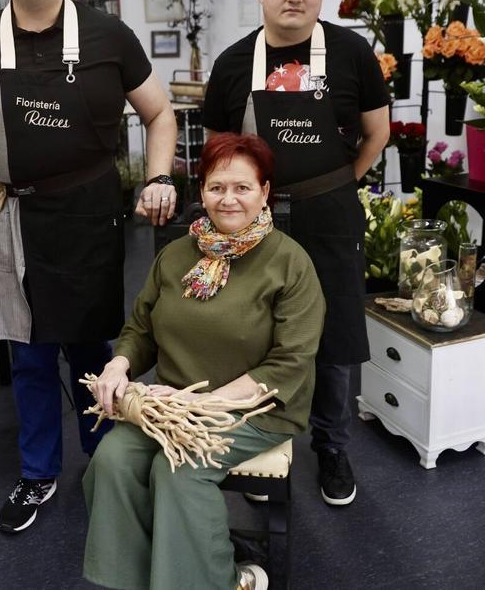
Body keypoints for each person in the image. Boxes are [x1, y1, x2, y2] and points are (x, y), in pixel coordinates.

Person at [0, 0, 178, 534]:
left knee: (93, 348)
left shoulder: (109, 37)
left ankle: (106, 464)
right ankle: (38, 473)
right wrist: (12, 172)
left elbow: (159, 115)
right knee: (28, 353)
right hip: (17, 215)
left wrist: (157, 178)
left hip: (90, 216)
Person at [83, 133, 325, 590]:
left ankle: (225, 580)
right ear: (201, 191)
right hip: (173, 404)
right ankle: (138, 579)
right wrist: (119, 365)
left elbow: (289, 365)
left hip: (256, 409)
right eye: (216, 187)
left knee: (179, 469)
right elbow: (141, 330)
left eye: (242, 187)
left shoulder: (291, 264)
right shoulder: (175, 256)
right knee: (112, 459)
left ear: (265, 192)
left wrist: (205, 405)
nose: (228, 199)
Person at [202, 0, 391, 507]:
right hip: (254, 225)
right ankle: (259, 445)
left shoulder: (352, 55)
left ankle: (332, 447)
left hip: (330, 217)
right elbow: (217, 151)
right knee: (256, 333)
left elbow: (376, 135)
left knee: (332, 338)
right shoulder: (234, 64)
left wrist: (334, 187)